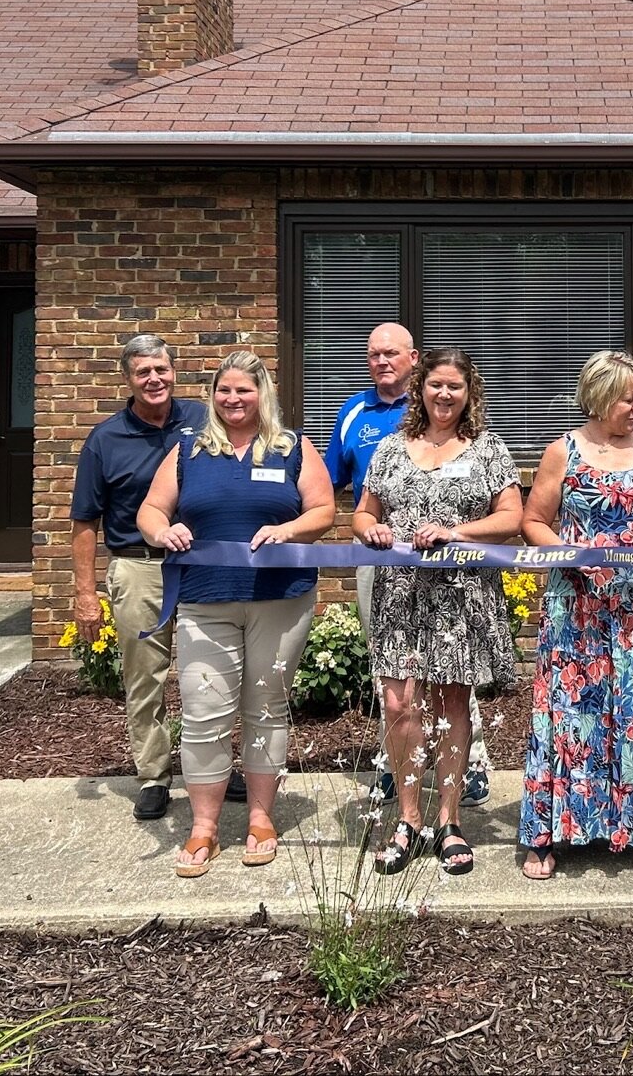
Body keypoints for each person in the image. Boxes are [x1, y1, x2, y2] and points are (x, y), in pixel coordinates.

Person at [137, 351, 335, 877]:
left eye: (243, 389)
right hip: (205, 600)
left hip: (281, 599)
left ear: (262, 392)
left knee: (266, 706)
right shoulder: (189, 449)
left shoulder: (292, 447)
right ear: (212, 396)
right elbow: (150, 510)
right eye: (223, 390)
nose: (233, 399)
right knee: (204, 712)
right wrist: (162, 531)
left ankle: (261, 819)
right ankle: (203, 827)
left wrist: (288, 530)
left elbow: (323, 510)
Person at [518, 350, 633, 879]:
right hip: (578, 610)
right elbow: (533, 521)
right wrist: (573, 555)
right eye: (628, 399)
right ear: (598, 398)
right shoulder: (563, 451)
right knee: (573, 715)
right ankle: (548, 835)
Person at [353, 349, 523, 877]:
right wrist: (372, 529)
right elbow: (362, 513)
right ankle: (408, 819)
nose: (444, 395)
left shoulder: (489, 448)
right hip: (400, 595)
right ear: (419, 389)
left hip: (460, 595)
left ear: (469, 393)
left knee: (452, 704)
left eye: (455, 386)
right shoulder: (390, 448)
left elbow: (512, 518)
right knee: (399, 704)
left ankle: (449, 821)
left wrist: (456, 532)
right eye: (435, 385)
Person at [325, 322, 492, 807]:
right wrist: (365, 527)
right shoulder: (354, 413)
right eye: (373, 354)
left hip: (454, 573)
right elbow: (337, 487)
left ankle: (469, 764)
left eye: (391, 353)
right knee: (393, 673)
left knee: (453, 674)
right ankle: (395, 763)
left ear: (413, 359)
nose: (381, 362)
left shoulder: (455, 417)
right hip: (385, 564)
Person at [69, 334, 209, 822]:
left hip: (201, 564)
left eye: (161, 369)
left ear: (174, 372)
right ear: (127, 379)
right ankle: (154, 774)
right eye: (143, 372)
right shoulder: (105, 440)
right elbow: (84, 522)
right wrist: (86, 594)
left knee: (210, 672)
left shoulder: (202, 421)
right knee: (145, 675)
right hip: (138, 565)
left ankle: (209, 768)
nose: (154, 379)